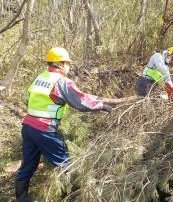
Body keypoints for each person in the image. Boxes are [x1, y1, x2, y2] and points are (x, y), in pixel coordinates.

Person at [15, 47, 113, 202]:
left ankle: (21, 197)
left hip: (27, 126)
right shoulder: (61, 81)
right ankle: (76, 196)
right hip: (44, 129)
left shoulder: (40, 77)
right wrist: (101, 105)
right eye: (67, 63)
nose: (69, 66)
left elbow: (30, 99)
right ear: (60, 63)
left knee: (28, 163)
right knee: (65, 164)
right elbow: (80, 102)